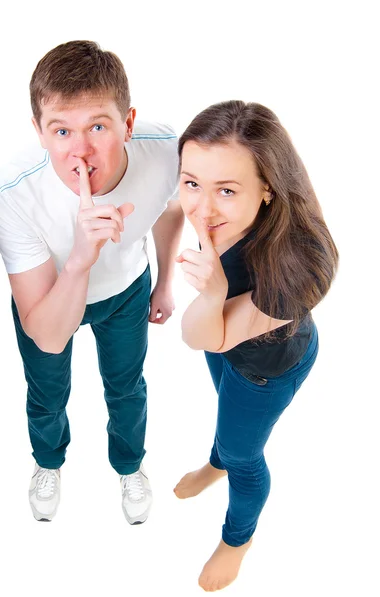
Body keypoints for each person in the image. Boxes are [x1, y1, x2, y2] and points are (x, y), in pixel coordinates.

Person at [0, 40, 184, 524]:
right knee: (47, 392)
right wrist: (79, 258)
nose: (80, 151)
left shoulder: (165, 151)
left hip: (127, 292)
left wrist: (164, 280)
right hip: (50, 298)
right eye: (60, 130)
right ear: (38, 131)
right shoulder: (12, 194)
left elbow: (171, 206)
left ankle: (129, 466)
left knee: (126, 387)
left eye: (98, 126)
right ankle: (48, 463)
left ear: (128, 124)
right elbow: (49, 336)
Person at [172, 101, 339, 591]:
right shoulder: (210, 205)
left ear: (267, 187)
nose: (202, 208)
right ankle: (215, 463)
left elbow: (201, 335)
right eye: (191, 183)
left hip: (267, 369)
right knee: (226, 422)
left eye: (226, 189)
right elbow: (170, 206)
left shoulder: (301, 266)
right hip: (227, 347)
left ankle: (237, 539)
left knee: (245, 454)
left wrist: (213, 292)